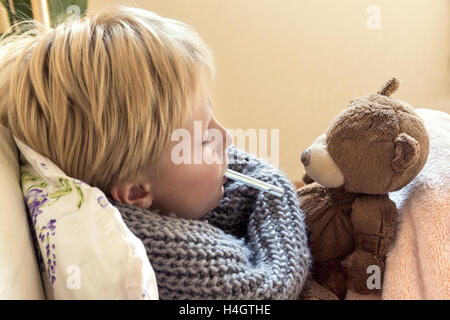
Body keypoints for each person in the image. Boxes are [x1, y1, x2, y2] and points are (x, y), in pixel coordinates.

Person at [0, 6, 310, 299]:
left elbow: (251, 180)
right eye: (203, 138)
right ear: (135, 191)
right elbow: (272, 286)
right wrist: (278, 192)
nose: (226, 137)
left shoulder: (161, 192)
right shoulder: (183, 264)